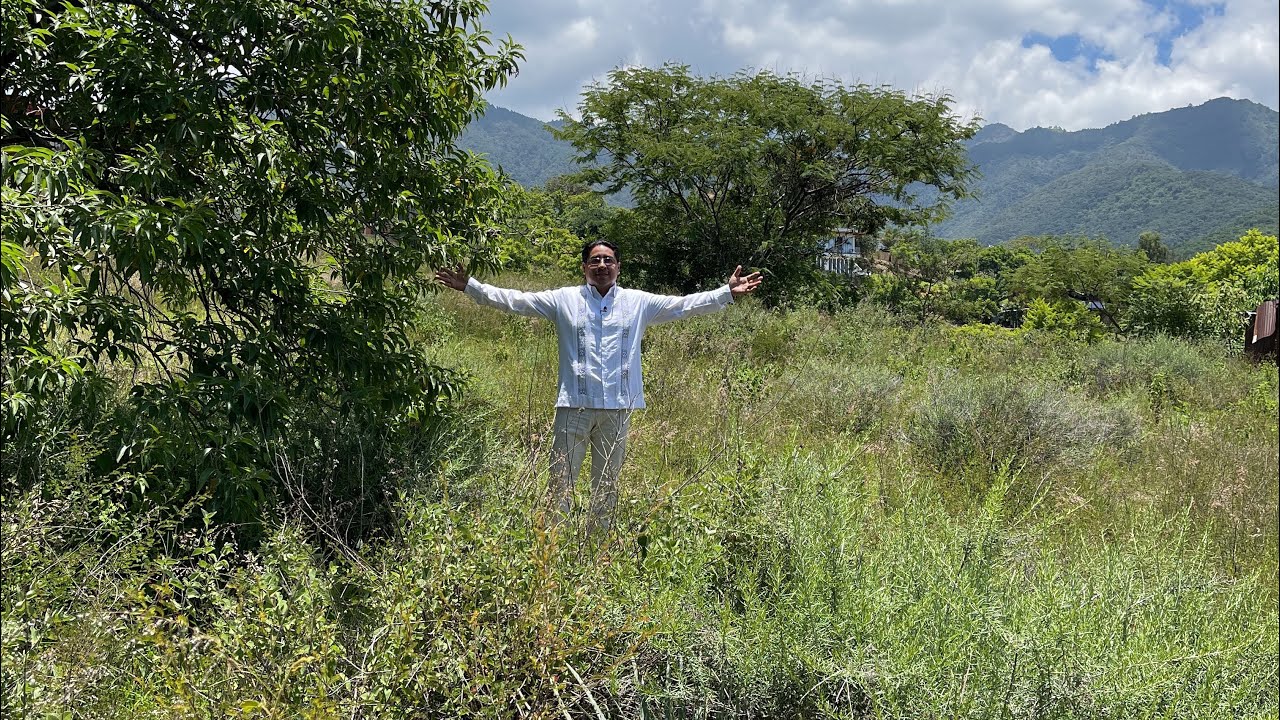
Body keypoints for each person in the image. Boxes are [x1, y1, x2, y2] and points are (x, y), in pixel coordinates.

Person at [435, 240, 763, 533]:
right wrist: (471, 287)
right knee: (561, 480)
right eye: (595, 260)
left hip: (617, 409)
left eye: (608, 260)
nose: (602, 265)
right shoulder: (564, 299)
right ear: (584, 267)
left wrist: (726, 293)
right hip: (573, 407)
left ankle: (597, 544)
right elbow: (516, 300)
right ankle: (553, 545)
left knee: (606, 483)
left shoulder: (638, 303)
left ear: (618, 267)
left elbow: (683, 305)